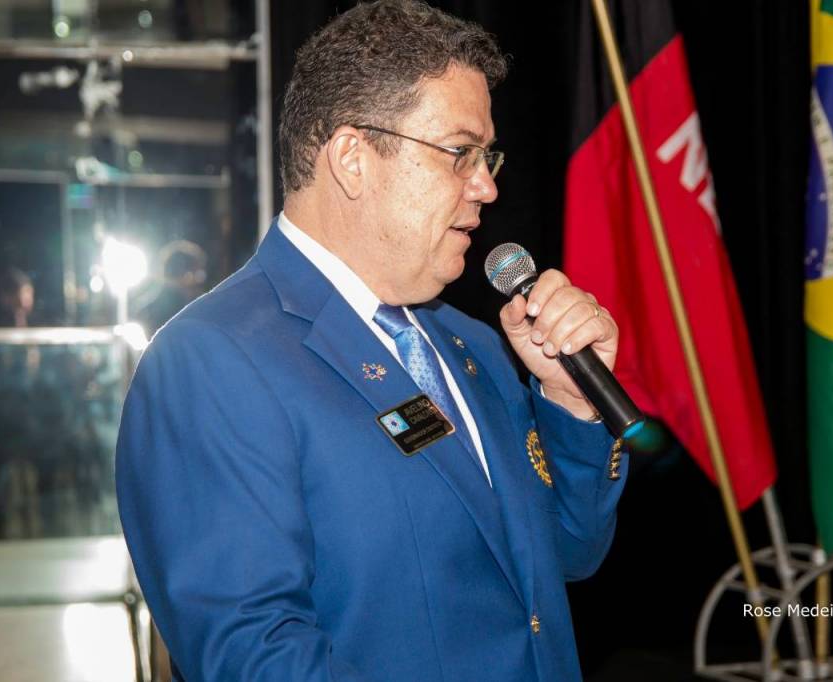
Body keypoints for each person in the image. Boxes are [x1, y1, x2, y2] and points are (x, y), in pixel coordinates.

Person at [116, 2, 628, 680]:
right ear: (353, 159)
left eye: (487, 157)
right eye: (460, 153)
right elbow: (255, 655)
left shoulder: (474, 346)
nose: (486, 186)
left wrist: (571, 404)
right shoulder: (210, 362)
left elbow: (568, 555)